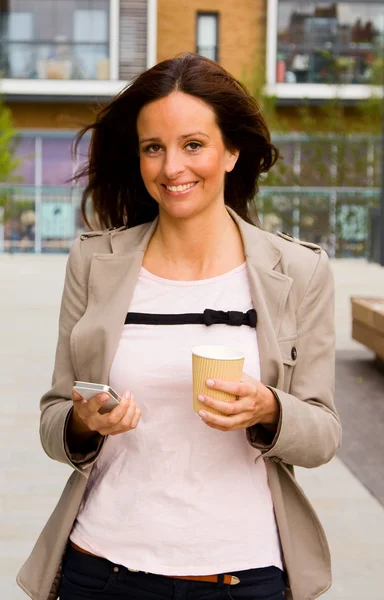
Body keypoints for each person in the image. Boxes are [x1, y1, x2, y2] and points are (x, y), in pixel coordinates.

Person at [17, 53, 341, 600]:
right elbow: (53, 422)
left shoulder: (300, 271)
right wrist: (83, 420)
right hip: (101, 570)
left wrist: (269, 409)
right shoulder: (94, 263)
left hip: (241, 575)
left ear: (231, 151)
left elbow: (324, 434)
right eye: (153, 148)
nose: (172, 168)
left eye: (193, 144)